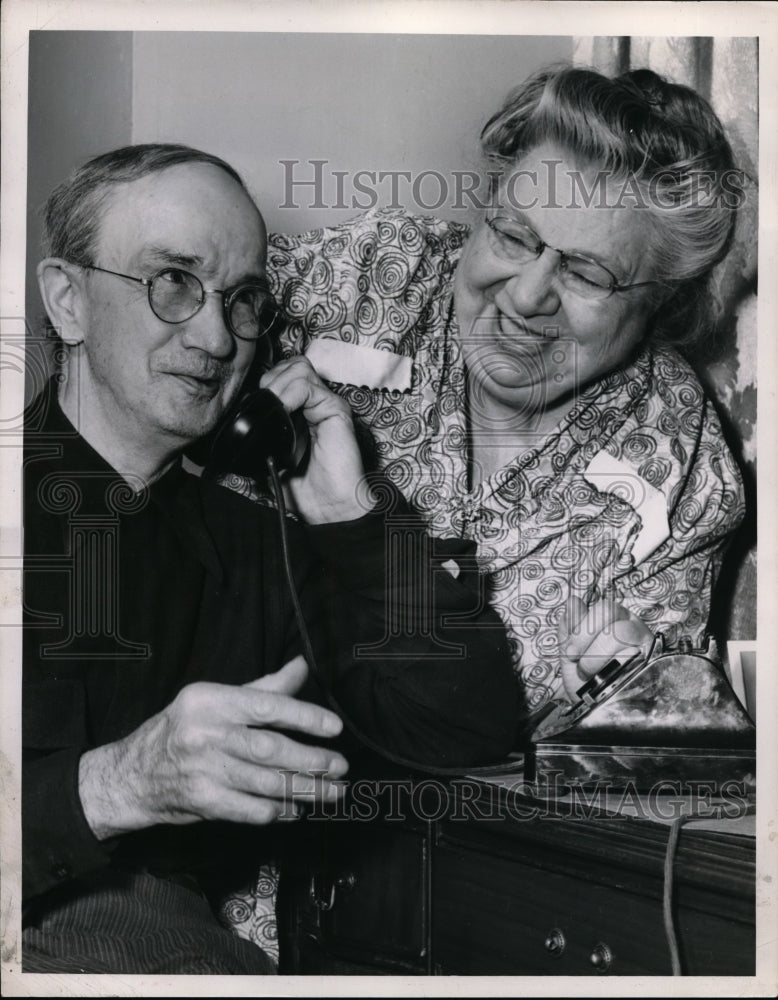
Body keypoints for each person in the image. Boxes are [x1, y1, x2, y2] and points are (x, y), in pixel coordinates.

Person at [21, 143, 522, 974]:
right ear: (68, 301)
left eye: (243, 300)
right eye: (173, 281)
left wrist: (349, 515)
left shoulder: (254, 549)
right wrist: (117, 785)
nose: (218, 336)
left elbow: (467, 732)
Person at [265, 65, 746, 728]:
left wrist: (632, 692)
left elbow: (646, 744)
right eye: (514, 236)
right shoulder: (364, 278)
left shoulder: (681, 464)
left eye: (587, 273)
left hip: (464, 821)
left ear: (662, 301)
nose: (525, 296)